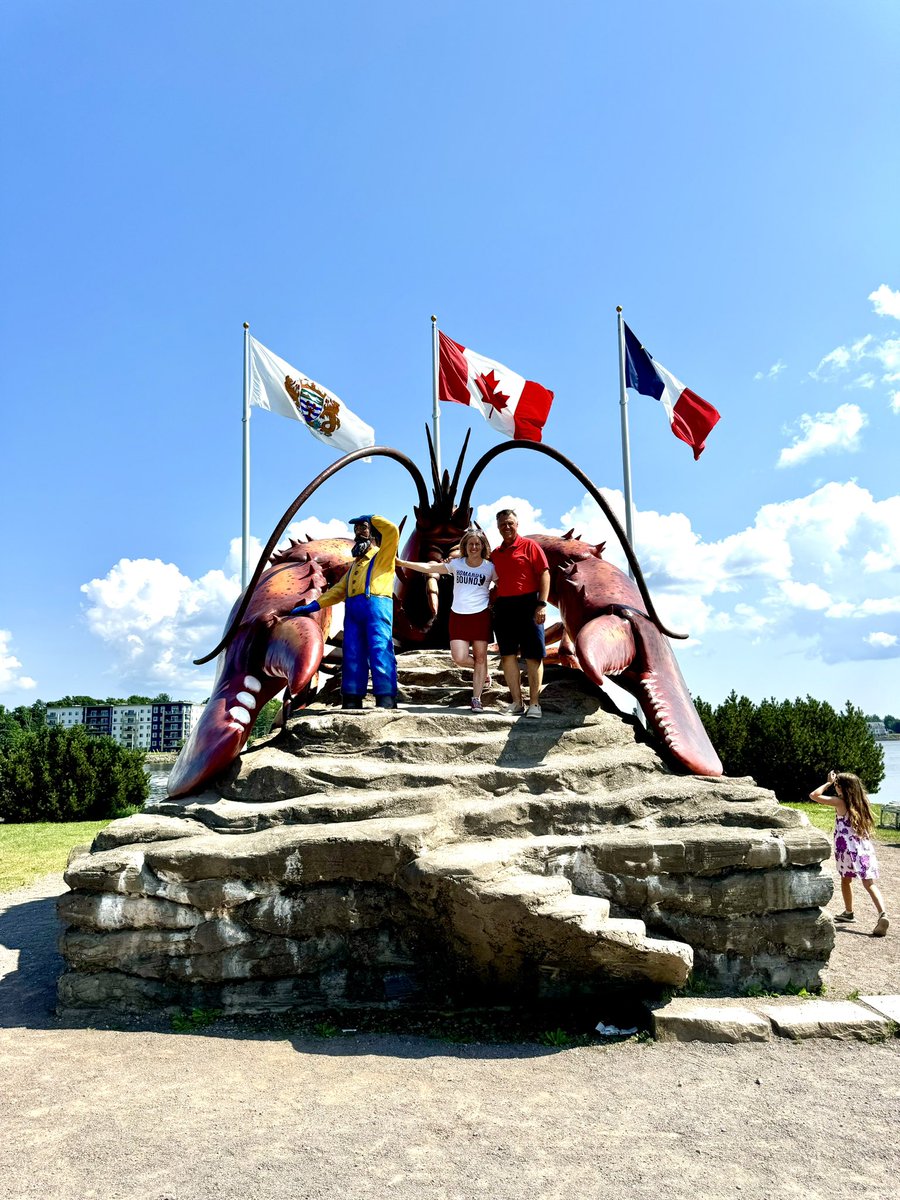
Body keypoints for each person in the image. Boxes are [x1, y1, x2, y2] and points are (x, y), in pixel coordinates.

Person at [290, 514, 399, 710]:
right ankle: (351, 698)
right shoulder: (355, 566)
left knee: (380, 650)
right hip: (353, 613)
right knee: (352, 653)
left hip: (377, 608)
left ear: (373, 532)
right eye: (356, 529)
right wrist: (314, 606)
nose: (358, 533)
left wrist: (372, 518)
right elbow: (339, 590)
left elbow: (392, 530)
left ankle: (386, 698)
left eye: (363, 528)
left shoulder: (383, 556)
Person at [397, 528, 497, 711]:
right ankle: (482, 672)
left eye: (477, 544)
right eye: (470, 544)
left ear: (483, 546)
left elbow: (503, 584)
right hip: (458, 615)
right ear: (464, 546)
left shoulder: (490, 567)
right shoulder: (457, 564)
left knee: (481, 657)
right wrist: (402, 562)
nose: (474, 547)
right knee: (459, 657)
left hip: (481, 616)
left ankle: (476, 699)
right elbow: (429, 567)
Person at [809, 770, 889, 937]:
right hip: (864, 849)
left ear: (841, 787)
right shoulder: (861, 802)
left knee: (846, 880)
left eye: (837, 785)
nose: (835, 788)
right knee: (869, 883)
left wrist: (828, 783)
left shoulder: (840, 802)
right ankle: (883, 914)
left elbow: (814, 795)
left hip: (846, 849)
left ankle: (849, 911)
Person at [491, 508, 550, 719]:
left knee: (533, 655)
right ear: (498, 527)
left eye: (510, 523)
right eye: (502, 524)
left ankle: (535, 704)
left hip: (529, 604)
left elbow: (544, 573)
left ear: (517, 524)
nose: (506, 527)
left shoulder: (530, 546)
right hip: (504, 607)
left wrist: (541, 604)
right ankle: (517, 702)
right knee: (507, 655)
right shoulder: (495, 554)